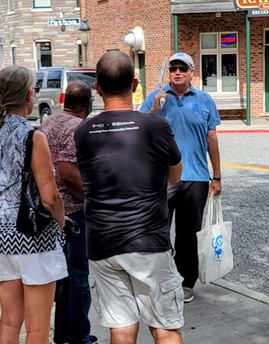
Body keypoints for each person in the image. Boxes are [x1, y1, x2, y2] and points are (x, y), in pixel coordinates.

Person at [75, 52, 184, 344]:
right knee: (165, 329)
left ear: (97, 88)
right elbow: (175, 174)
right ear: (135, 85)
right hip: (149, 243)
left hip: (102, 244)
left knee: (121, 330)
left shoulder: (84, 131)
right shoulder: (155, 126)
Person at [0, 65, 67, 344]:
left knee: (9, 321)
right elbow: (49, 196)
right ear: (30, 94)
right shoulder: (33, 136)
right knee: (37, 329)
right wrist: (62, 224)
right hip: (31, 238)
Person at [140, 52, 222, 303]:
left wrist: (217, 177)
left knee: (188, 235)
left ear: (192, 73)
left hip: (196, 178)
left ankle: (186, 282)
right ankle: (160, 278)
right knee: (158, 230)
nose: (177, 72)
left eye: (183, 69)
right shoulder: (155, 97)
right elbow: (140, 131)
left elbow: (212, 139)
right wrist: (155, 109)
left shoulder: (204, 100)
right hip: (162, 178)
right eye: (173, 68)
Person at [39, 80, 96, 344]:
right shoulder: (77, 127)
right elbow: (69, 174)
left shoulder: (48, 122)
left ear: (65, 100)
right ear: (88, 104)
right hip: (72, 213)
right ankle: (79, 336)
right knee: (78, 276)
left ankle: (62, 333)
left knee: (62, 276)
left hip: (49, 211)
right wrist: (91, 200)